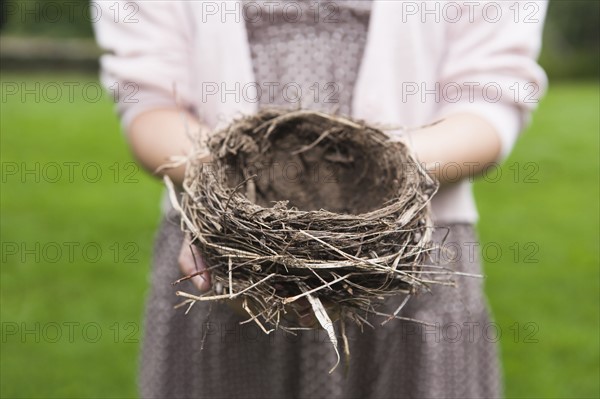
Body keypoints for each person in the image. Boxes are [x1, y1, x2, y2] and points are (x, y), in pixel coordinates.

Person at [94, 1, 547, 398]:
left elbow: (491, 99)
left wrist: (382, 183)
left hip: (407, 263)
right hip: (222, 255)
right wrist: (227, 209)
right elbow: (148, 98)